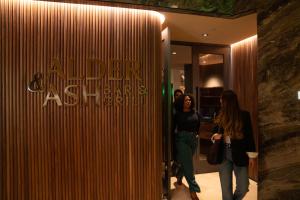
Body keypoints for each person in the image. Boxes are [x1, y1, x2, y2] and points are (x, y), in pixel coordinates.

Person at [211, 90, 257, 200]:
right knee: (226, 189)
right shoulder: (220, 115)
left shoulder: (244, 115)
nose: (220, 102)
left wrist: (252, 156)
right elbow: (214, 132)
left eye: (222, 100)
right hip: (223, 154)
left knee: (243, 187)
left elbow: (249, 136)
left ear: (228, 101)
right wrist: (214, 136)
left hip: (240, 153)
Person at [173, 94, 201, 200]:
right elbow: (173, 128)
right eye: (186, 100)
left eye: (189, 99)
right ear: (181, 102)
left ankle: (179, 175)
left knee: (186, 161)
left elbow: (198, 125)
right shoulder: (178, 114)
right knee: (189, 164)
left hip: (193, 139)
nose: (188, 101)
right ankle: (193, 189)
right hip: (182, 139)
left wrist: (197, 134)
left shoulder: (196, 113)